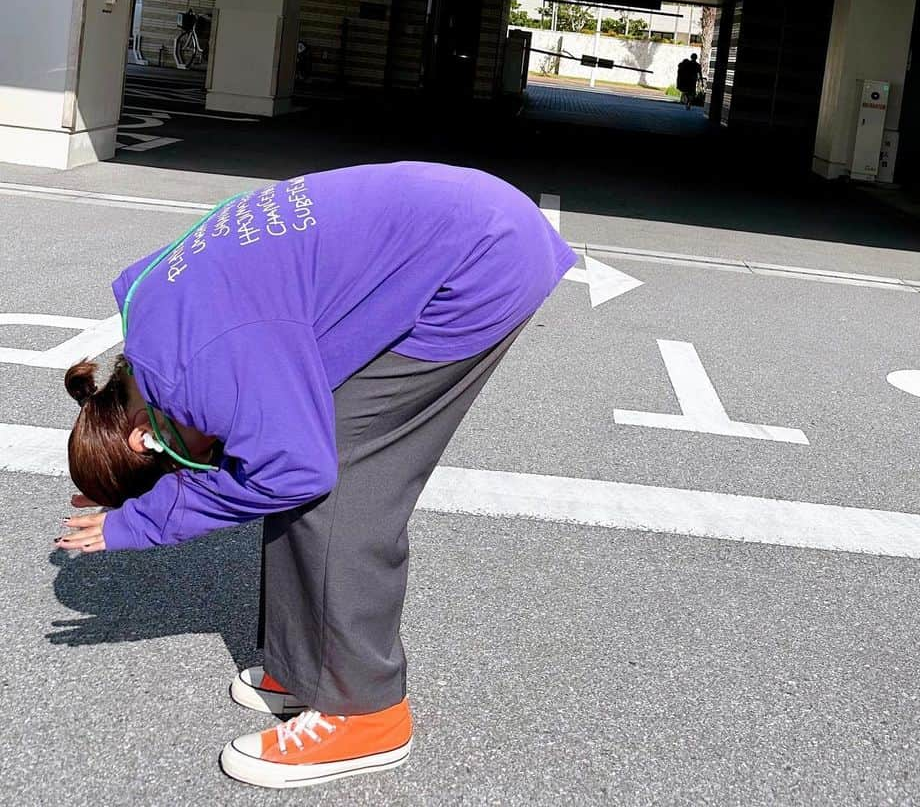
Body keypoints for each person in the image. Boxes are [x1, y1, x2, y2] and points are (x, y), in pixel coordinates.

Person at [57, 162, 576, 789]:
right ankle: (305, 665)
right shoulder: (151, 327)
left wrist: (144, 520)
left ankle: (367, 714)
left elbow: (292, 471)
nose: (203, 458)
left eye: (179, 467)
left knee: (337, 480)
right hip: (454, 216)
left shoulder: (202, 368)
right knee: (279, 448)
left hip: (480, 259)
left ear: (144, 435)